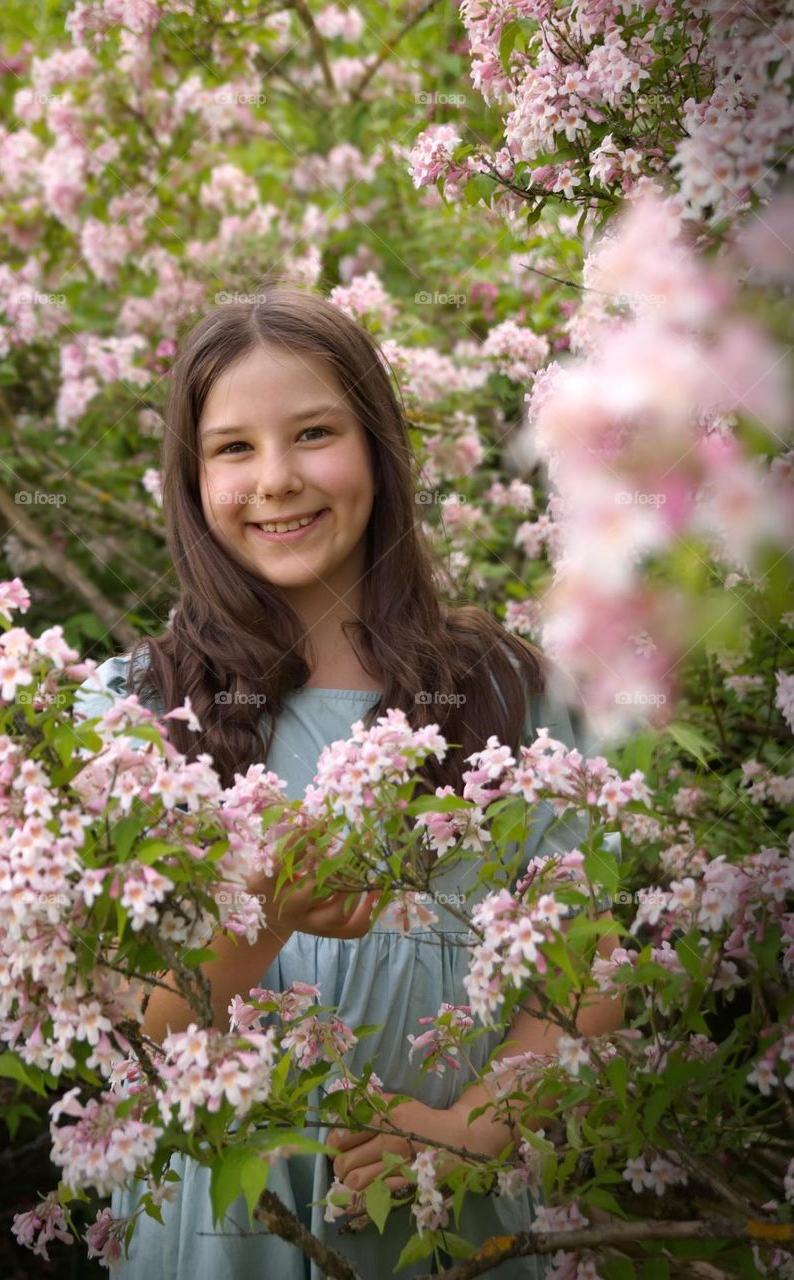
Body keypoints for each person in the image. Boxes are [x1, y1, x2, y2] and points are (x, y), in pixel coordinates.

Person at [72, 287, 622, 1278]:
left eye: (314, 432)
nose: (277, 479)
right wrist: (262, 922)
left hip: (445, 1226)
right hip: (222, 1240)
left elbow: (590, 965)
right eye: (233, 448)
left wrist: (471, 1131)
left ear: (375, 446)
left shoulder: (506, 694)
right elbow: (125, 1019)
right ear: (192, 480)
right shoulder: (131, 712)